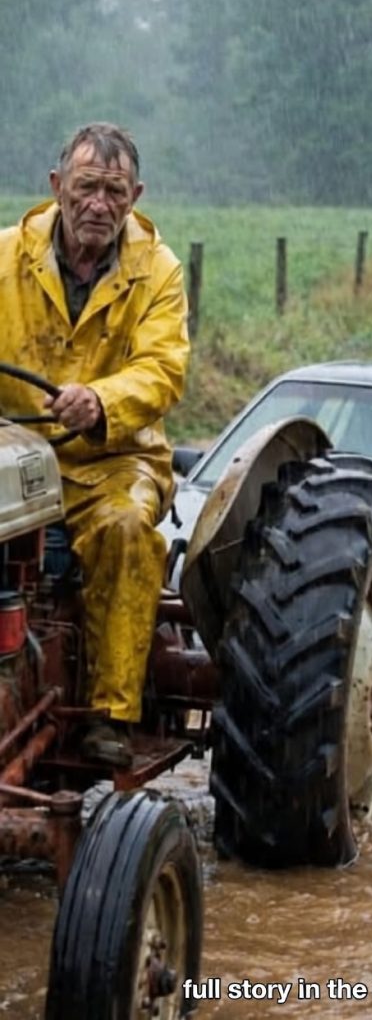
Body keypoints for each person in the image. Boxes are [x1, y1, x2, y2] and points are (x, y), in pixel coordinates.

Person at [0, 122, 189, 767]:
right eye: (86, 188)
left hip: (114, 460)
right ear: (57, 187)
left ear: (135, 196)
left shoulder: (156, 272)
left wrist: (102, 400)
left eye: (114, 192)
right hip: (16, 453)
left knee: (127, 529)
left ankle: (111, 713)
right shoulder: (4, 259)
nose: (99, 205)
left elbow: (164, 369)